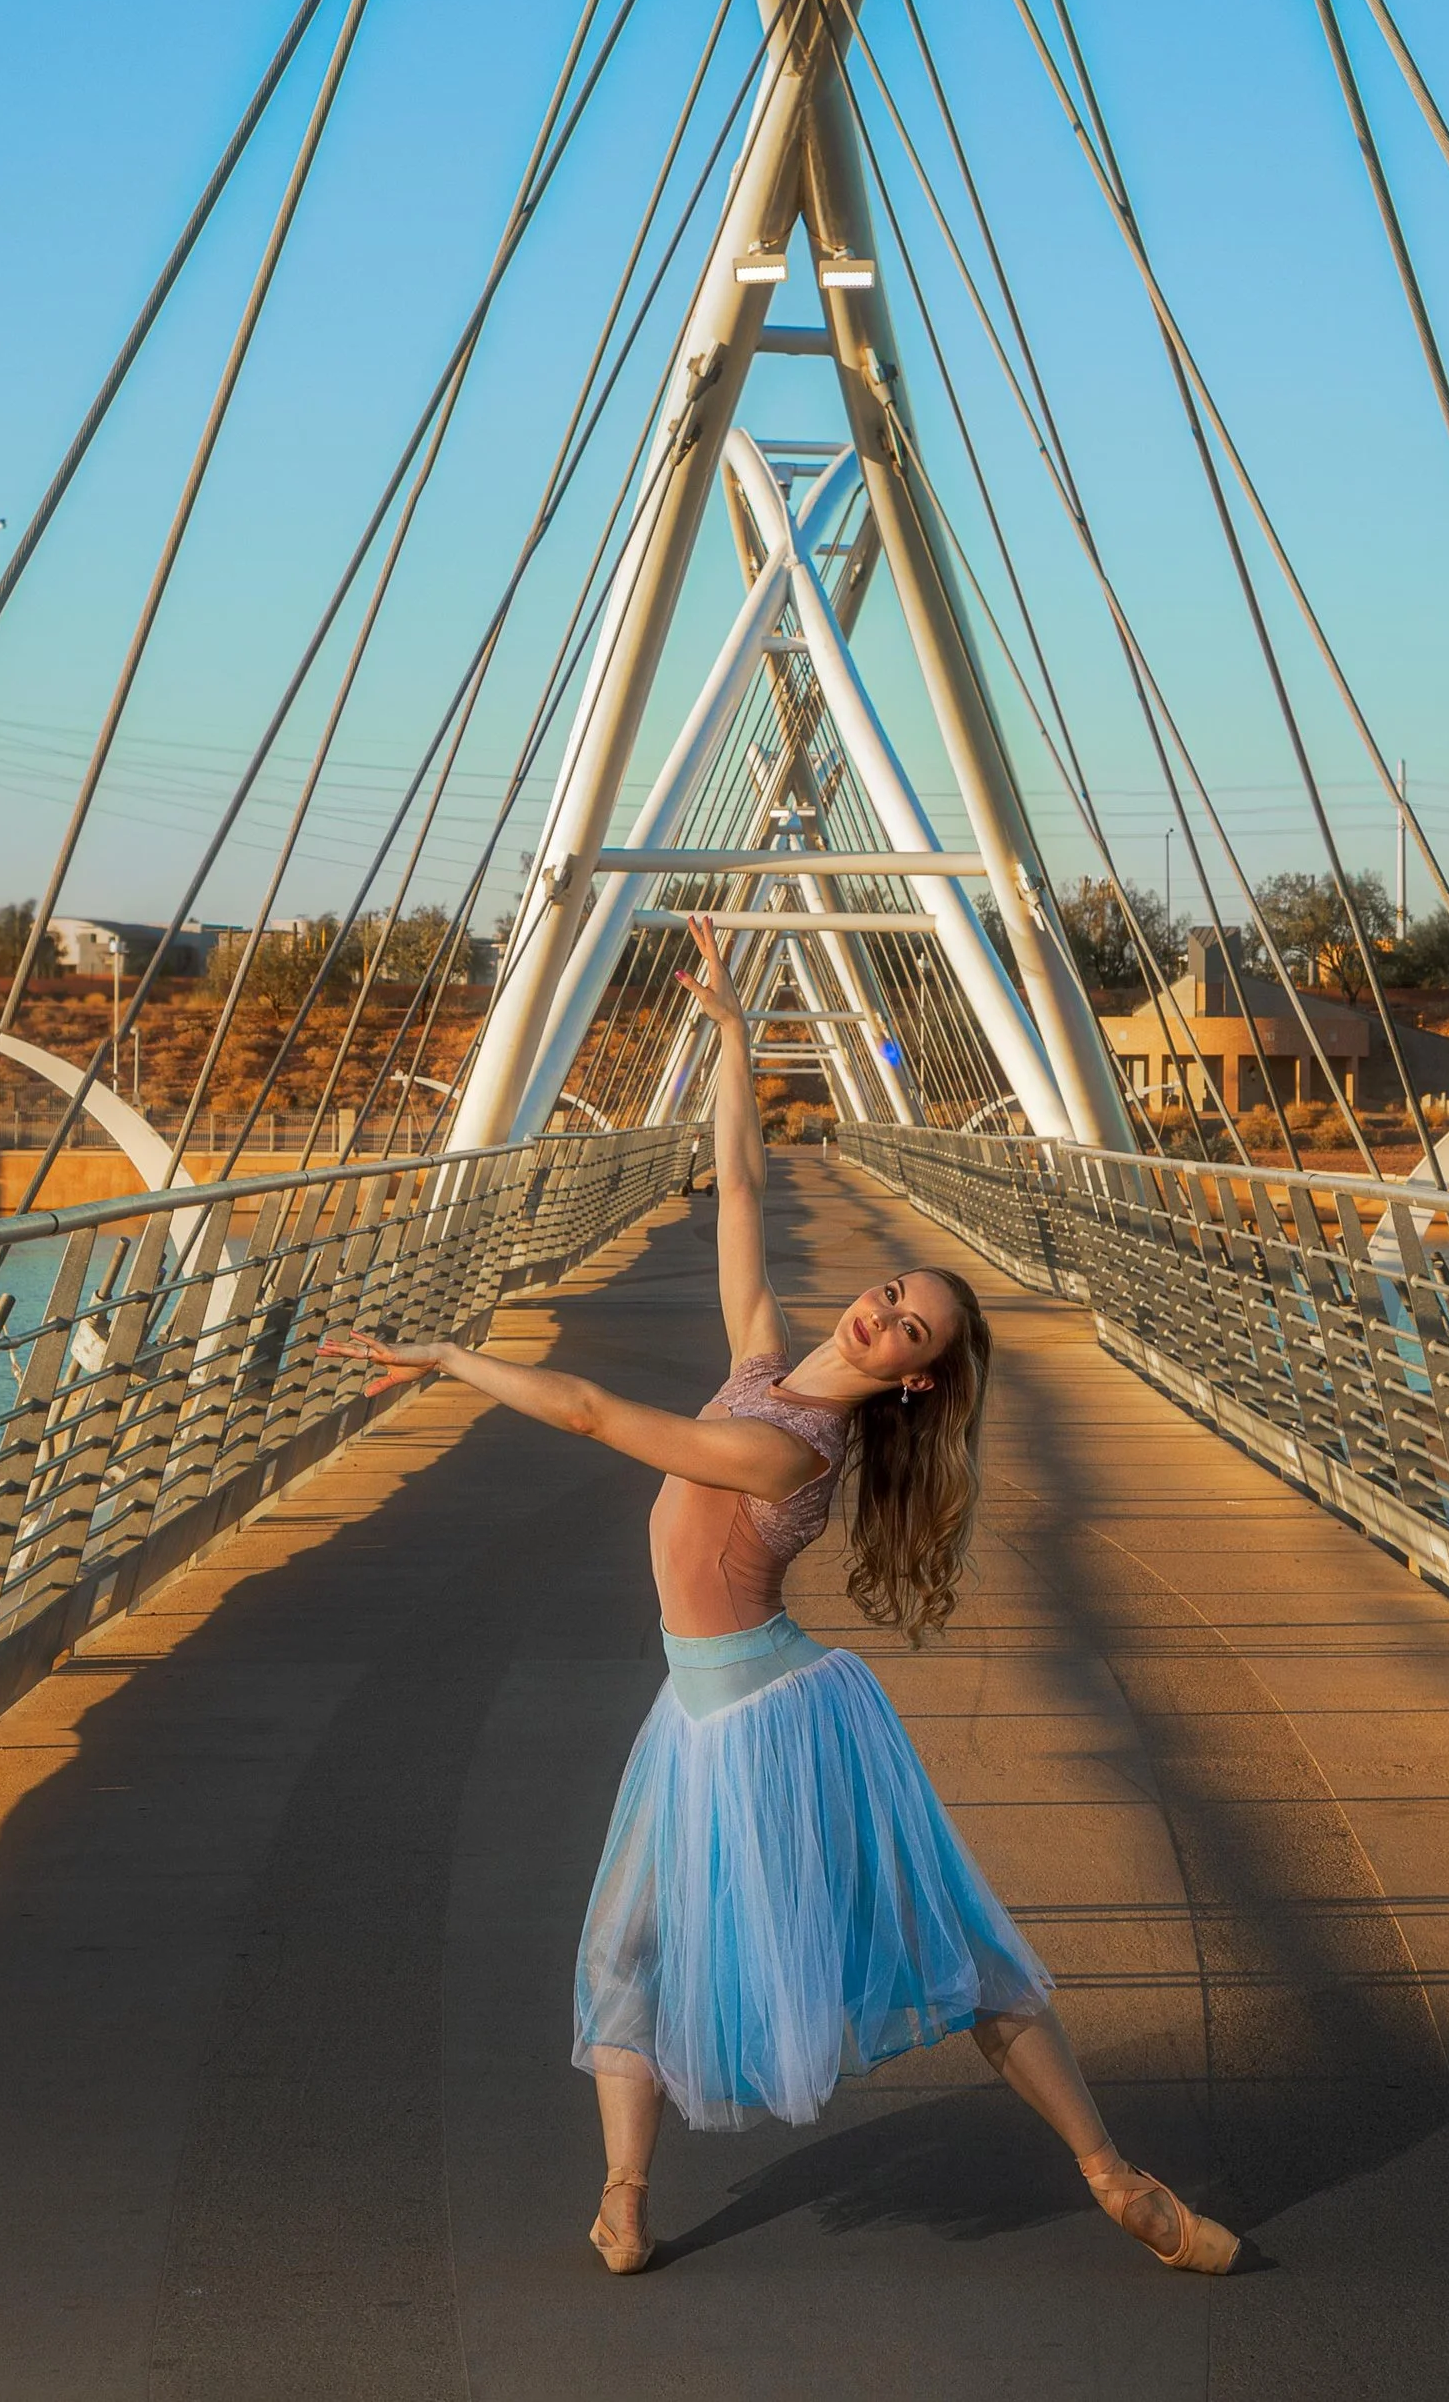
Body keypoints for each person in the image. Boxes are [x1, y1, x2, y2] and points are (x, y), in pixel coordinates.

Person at [344, 917, 1237, 2282]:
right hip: (697, 1708)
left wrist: (451, 1354)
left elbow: (586, 1410)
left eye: (913, 1330)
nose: (882, 1313)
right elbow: (743, 1193)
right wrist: (732, 1041)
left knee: (942, 1945)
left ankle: (1116, 2174)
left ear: (917, 1381)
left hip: (769, 1716)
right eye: (890, 1293)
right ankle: (627, 2199)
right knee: (627, 1948)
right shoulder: (764, 1369)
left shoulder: (789, 1447)